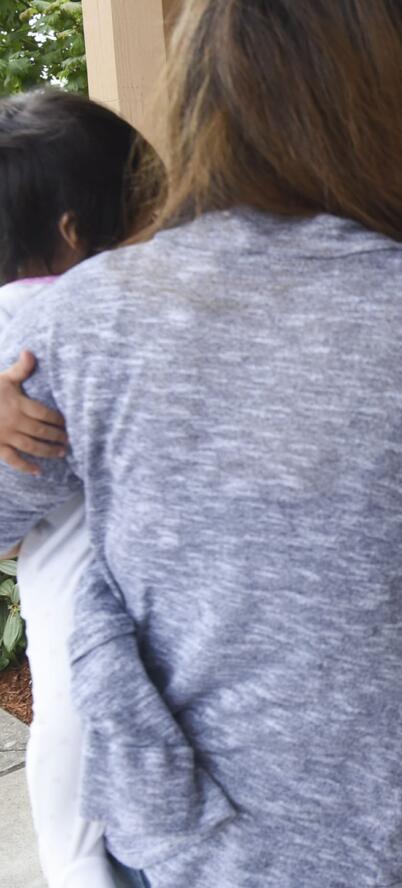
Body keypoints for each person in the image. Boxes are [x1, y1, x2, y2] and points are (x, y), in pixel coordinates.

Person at [0, 2, 402, 886]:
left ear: (197, 95)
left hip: (171, 832)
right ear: (394, 94)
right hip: (384, 834)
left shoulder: (83, 317)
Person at [0, 87, 154, 888]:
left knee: (74, 829)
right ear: (75, 232)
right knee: (91, 833)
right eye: (144, 212)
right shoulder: (77, 323)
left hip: (67, 622)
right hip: (103, 636)